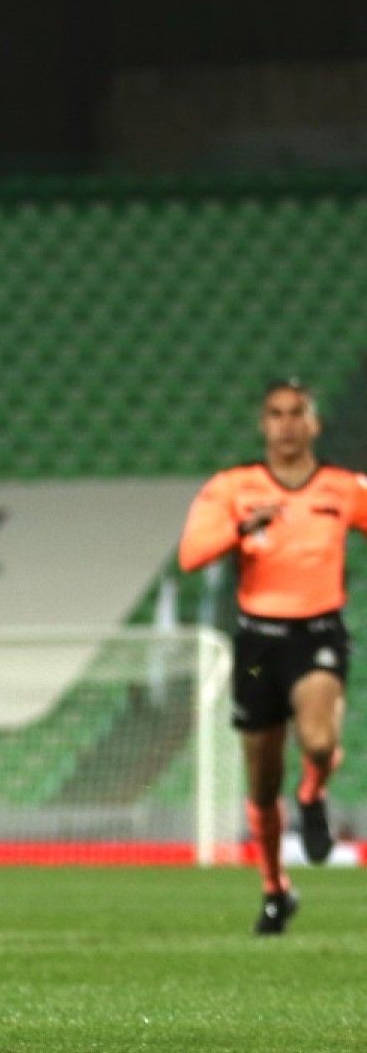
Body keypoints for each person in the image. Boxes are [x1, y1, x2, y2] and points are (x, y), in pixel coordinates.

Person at [179, 378, 363, 934]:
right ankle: (275, 887)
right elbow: (191, 554)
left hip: (318, 633)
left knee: (321, 739)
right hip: (259, 641)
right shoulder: (235, 487)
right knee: (261, 780)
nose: (286, 424)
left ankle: (312, 794)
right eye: (276, 414)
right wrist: (239, 529)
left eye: (296, 413)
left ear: (314, 424)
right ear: (265, 424)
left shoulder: (342, 486)